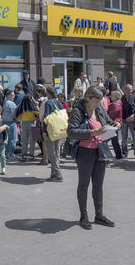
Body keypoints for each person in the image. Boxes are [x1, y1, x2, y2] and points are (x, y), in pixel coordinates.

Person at [68, 87, 118, 230]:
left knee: (98, 185)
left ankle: (99, 215)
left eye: (99, 101)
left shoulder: (99, 110)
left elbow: (108, 122)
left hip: (100, 151)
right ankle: (83, 216)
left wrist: (115, 124)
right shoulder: (78, 111)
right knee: (83, 184)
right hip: (85, 152)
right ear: (88, 98)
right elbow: (71, 131)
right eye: (95, 101)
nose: (98, 104)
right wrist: (92, 132)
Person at [42, 87, 64, 182]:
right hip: (59, 129)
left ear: (49, 94)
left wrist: (44, 131)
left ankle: (58, 173)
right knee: (57, 151)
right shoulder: (58, 102)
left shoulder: (48, 102)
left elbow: (46, 117)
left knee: (51, 152)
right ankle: (53, 174)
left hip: (51, 130)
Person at [16, 92, 38, 161]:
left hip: (24, 123)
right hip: (32, 123)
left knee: (24, 140)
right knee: (32, 141)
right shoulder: (32, 106)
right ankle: (31, 154)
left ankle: (24, 154)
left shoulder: (21, 106)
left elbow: (17, 115)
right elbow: (37, 113)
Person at [121, 84, 135, 159]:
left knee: (134, 137)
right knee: (124, 137)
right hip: (124, 120)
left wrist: (133, 116)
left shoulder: (134, 97)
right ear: (125, 90)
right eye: (128, 90)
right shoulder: (122, 98)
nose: (129, 91)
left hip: (132, 120)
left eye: (130, 90)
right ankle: (125, 152)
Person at [2, 90, 18, 163]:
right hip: (11, 122)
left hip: (5, 122)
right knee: (12, 138)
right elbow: (15, 113)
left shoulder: (5, 102)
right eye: (12, 95)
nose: (13, 96)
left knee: (7, 138)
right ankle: (10, 153)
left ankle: (7, 153)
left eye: (14, 95)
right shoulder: (11, 103)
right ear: (8, 95)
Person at [107, 90, 123, 160]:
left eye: (112, 95)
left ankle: (118, 156)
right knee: (114, 140)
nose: (110, 97)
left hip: (114, 123)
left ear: (116, 97)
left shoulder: (115, 105)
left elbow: (111, 115)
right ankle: (118, 155)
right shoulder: (118, 103)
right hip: (116, 123)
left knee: (109, 140)